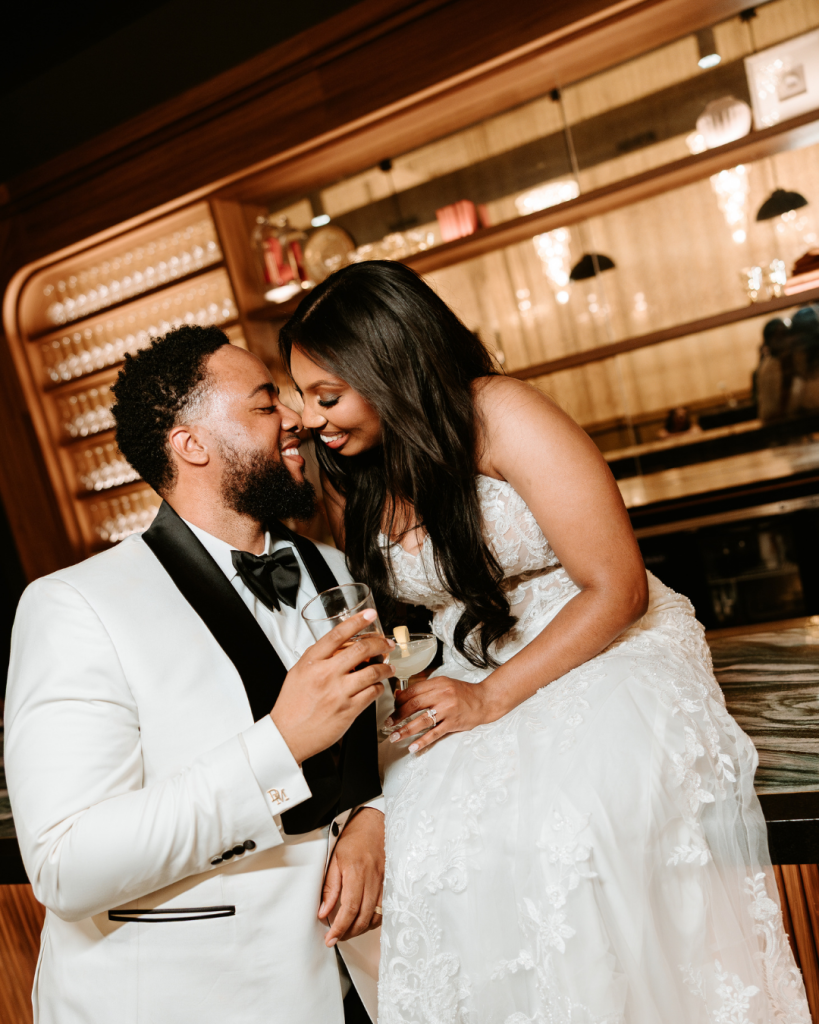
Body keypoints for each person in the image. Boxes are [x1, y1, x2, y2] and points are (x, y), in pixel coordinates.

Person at [279, 261, 810, 1024]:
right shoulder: (353, 467)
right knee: (434, 840)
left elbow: (616, 587)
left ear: (390, 368)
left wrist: (489, 697)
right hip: (478, 655)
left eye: (325, 395)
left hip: (605, 634)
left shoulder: (499, 413)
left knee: (568, 818)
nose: (310, 416)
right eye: (299, 395)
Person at [5, 325, 394, 1024]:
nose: (300, 420)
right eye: (265, 404)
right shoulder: (74, 607)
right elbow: (66, 864)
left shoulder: (336, 573)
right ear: (191, 445)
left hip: (365, 981)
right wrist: (279, 742)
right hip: (195, 998)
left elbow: (395, 730)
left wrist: (374, 816)